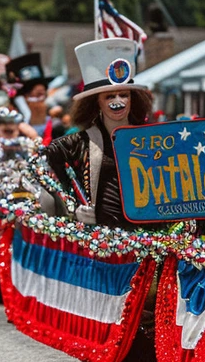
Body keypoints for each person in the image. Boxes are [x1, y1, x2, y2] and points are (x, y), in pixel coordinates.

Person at [43, 38, 153, 229]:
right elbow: (40, 171)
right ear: (96, 102)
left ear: (133, 99)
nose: (118, 101)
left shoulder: (152, 139)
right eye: (109, 96)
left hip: (144, 238)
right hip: (99, 243)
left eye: (124, 95)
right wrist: (73, 207)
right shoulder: (78, 142)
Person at [4, 53, 64, 146]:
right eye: (38, 94)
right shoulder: (14, 125)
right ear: (24, 97)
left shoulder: (55, 125)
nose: (40, 100)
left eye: (43, 94)